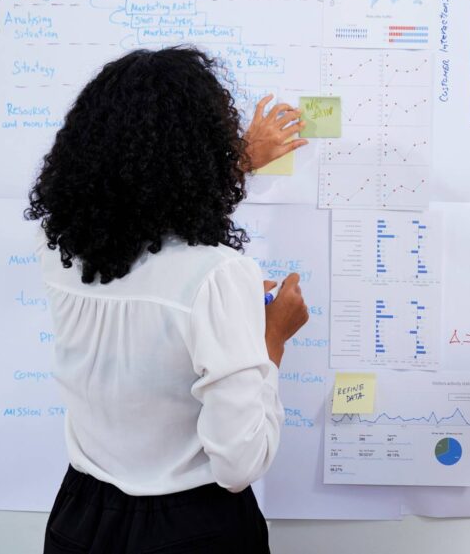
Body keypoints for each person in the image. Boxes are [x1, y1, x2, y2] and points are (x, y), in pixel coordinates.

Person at [26, 47, 311, 554]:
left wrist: (238, 166)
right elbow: (239, 464)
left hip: (79, 517)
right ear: (202, 150)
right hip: (191, 528)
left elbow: (147, 223)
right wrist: (271, 338)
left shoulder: (62, 251)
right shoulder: (218, 276)